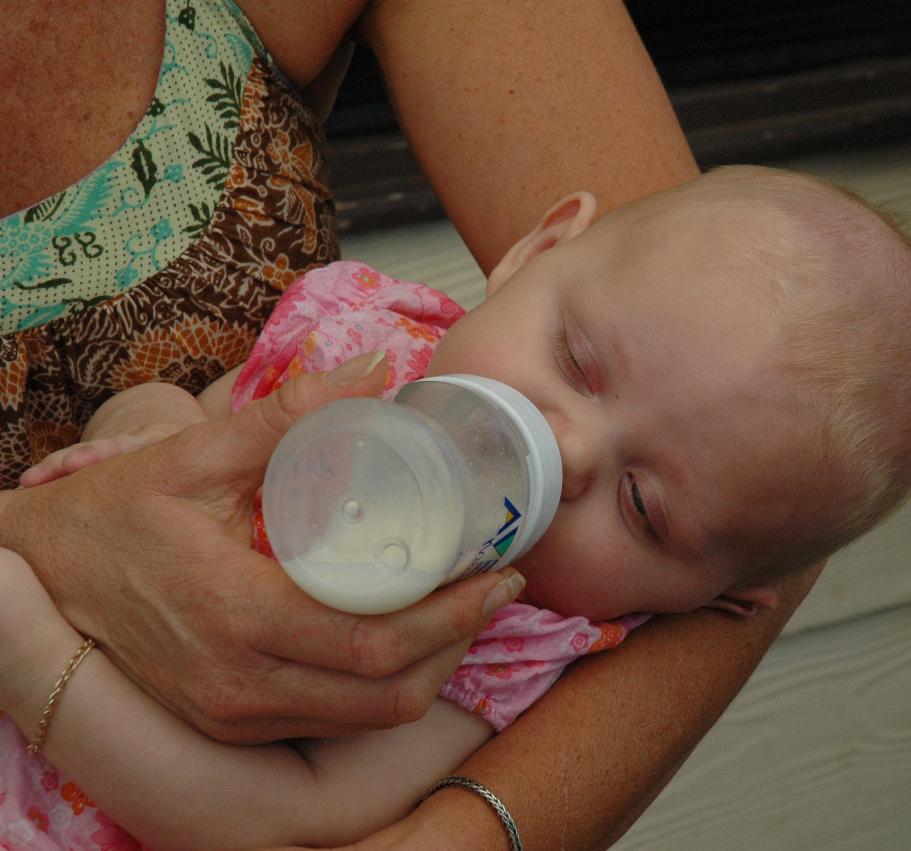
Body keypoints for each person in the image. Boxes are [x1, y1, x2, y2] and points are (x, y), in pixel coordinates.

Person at [0, 0, 854, 846]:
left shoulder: (507, 640)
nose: (567, 448)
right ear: (537, 251)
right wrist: (144, 436)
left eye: (642, 506)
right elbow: (188, 413)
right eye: (581, 365)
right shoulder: (363, 333)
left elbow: (284, 816)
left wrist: (33, 651)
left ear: (715, 596)